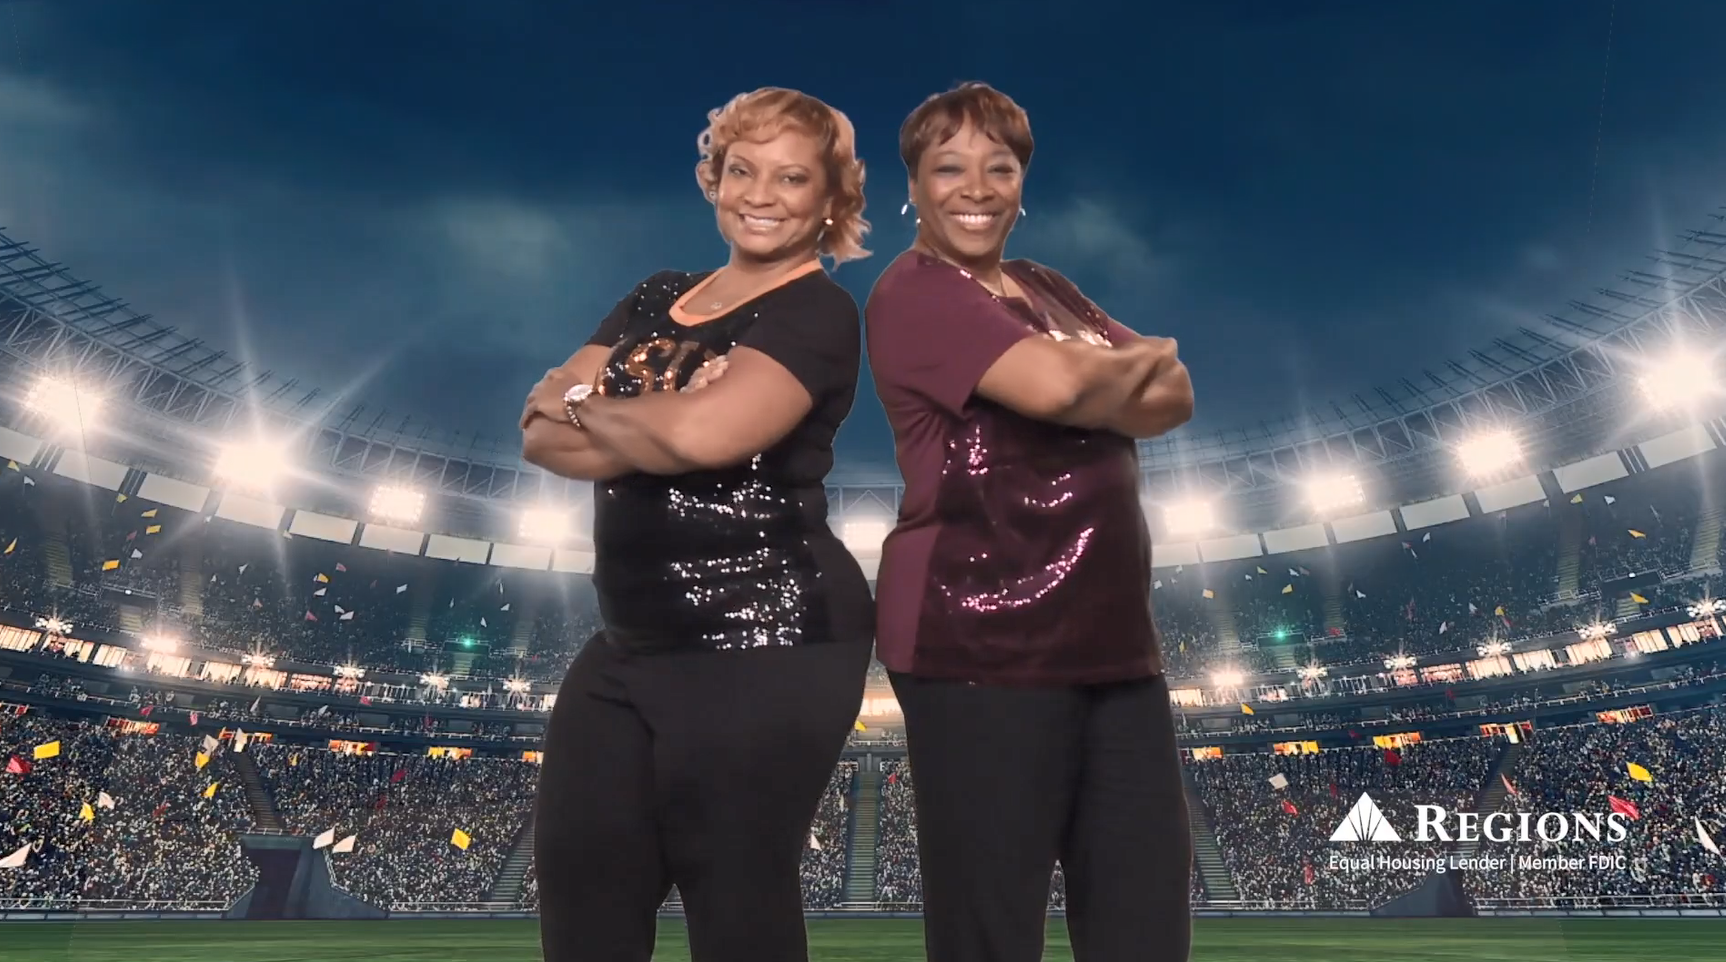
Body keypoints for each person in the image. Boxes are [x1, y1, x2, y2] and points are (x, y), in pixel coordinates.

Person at [519, 86, 875, 962]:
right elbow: (538, 434)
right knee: (581, 885)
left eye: (792, 177)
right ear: (713, 178)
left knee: (734, 897)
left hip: (771, 638)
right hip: (628, 640)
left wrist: (592, 403)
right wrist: (651, 415)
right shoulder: (657, 293)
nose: (761, 195)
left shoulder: (818, 312)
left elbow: (707, 438)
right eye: (741, 170)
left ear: (831, 200)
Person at [863, 82, 1196, 962]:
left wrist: (1105, 375)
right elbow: (1059, 387)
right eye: (950, 168)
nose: (977, 188)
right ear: (914, 187)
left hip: (1116, 647)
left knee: (1146, 928)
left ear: (1022, 183)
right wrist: (1116, 368)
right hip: (978, 643)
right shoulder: (912, 292)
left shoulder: (1048, 287)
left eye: (1000, 167)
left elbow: (1176, 393)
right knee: (991, 935)